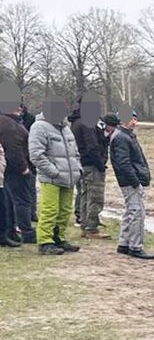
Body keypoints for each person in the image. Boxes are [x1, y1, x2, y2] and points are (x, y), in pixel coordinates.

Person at [27, 100, 80, 254]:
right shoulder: (39, 127)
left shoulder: (66, 128)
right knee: (50, 210)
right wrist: (53, 171)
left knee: (65, 210)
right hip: (51, 178)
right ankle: (45, 241)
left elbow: (75, 152)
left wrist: (78, 169)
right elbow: (36, 154)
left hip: (70, 178)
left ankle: (59, 238)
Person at [105, 112, 153, 260]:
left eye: (135, 119)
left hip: (130, 179)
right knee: (137, 212)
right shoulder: (121, 137)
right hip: (130, 181)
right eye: (132, 119)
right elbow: (123, 163)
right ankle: (135, 247)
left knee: (130, 211)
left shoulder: (126, 136)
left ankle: (124, 243)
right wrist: (135, 182)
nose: (134, 122)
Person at [71, 100, 108, 238]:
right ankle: (91, 227)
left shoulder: (77, 121)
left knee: (84, 195)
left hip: (81, 163)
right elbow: (92, 146)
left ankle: (85, 224)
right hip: (91, 165)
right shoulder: (87, 122)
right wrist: (100, 164)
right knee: (95, 195)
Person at [0, 106, 29, 247]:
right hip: (13, 169)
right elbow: (13, 149)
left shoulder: (13, 123)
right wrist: (23, 167)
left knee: (8, 202)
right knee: (16, 201)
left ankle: (9, 232)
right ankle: (22, 231)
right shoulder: (9, 125)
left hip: (7, 169)